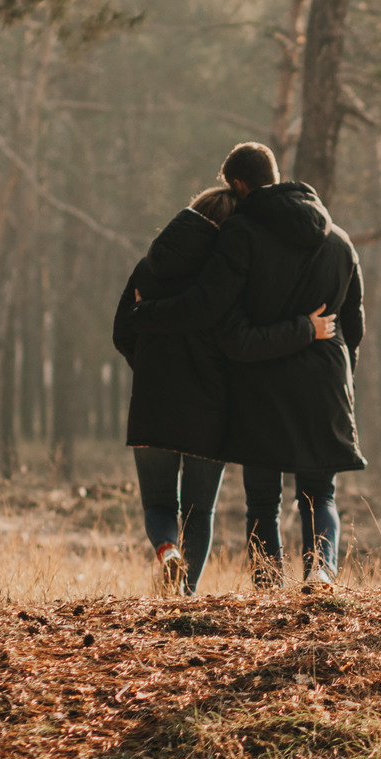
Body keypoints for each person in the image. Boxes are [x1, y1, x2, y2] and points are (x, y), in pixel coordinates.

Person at [135, 142, 364, 590]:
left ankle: (267, 592)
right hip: (326, 387)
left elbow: (217, 315)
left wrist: (148, 315)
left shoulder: (241, 236)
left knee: (263, 501)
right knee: (321, 495)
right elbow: (351, 328)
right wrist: (341, 381)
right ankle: (321, 571)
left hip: (263, 388)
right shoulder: (340, 240)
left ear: (238, 184)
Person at [112, 184, 239, 592]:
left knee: (158, 503)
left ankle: (167, 549)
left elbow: (122, 331)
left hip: (152, 404)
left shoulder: (149, 266)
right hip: (210, 407)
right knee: (200, 511)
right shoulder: (226, 274)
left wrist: (148, 367)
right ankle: (184, 597)